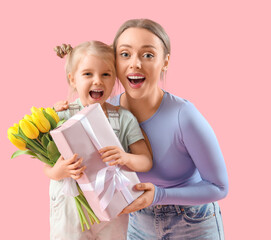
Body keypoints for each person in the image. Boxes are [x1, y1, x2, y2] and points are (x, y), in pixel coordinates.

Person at [111, 19, 229, 239]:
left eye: (148, 55)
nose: (135, 63)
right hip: (139, 222)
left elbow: (219, 187)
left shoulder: (183, 116)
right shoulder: (106, 113)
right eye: (125, 54)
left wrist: (159, 195)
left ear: (165, 62)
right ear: (114, 61)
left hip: (193, 222)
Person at [47, 41, 152, 240]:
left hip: (113, 205)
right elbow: (46, 166)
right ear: (72, 80)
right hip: (71, 207)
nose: (98, 81)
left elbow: (145, 161)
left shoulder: (124, 118)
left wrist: (125, 157)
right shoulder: (60, 117)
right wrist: (57, 171)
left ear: (115, 80)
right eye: (88, 74)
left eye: (106, 74)